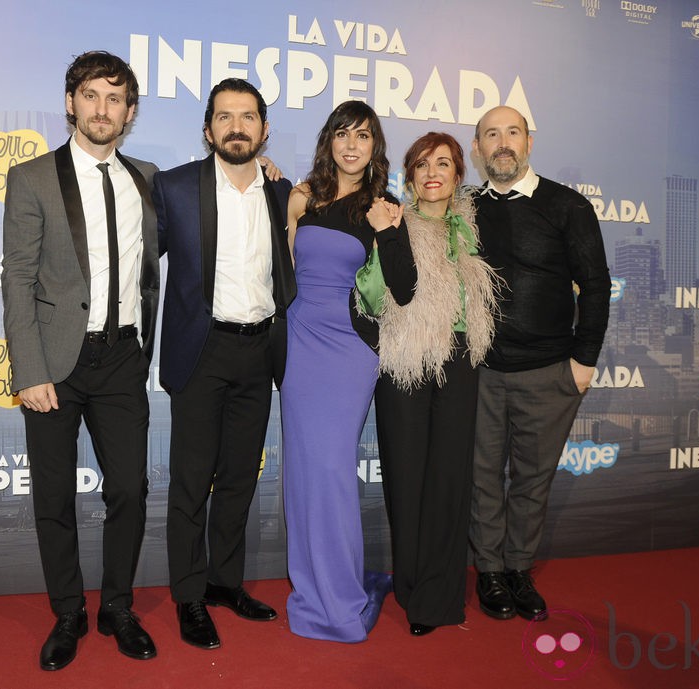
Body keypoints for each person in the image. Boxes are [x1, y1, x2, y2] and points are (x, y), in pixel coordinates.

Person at [1, 51, 159, 670]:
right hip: (55, 361)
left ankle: (118, 607)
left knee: (129, 489)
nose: (102, 109)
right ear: (71, 103)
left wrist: (274, 174)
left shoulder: (147, 178)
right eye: (91, 95)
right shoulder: (32, 177)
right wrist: (29, 370)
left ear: (130, 112)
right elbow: (17, 280)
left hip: (123, 359)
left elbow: (217, 193)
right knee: (54, 497)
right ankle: (67, 612)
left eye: (115, 99)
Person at [152, 78, 295, 650]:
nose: (237, 126)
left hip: (259, 351)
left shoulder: (286, 194)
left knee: (239, 477)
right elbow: (136, 264)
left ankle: (224, 583)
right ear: (208, 129)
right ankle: (189, 598)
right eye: (225, 116)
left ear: (263, 129)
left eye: (248, 117)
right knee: (191, 483)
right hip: (200, 351)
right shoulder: (175, 187)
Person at [468, 106, 610, 622]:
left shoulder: (567, 205)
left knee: (532, 478)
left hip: (550, 371)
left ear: (528, 141)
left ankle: (518, 570)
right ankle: (488, 571)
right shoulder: (463, 209)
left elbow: (595, 285)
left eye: (512, 133)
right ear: (477, 149)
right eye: (490, 135)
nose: (502, 143)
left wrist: (584, 361)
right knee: (481, 476)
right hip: (480, 372)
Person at [281, 100, 416, 643]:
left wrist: (388, 231)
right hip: (297, 342)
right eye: (343, 133)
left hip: (349, 348)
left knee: (333, 471)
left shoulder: (381, 206)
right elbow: (283, 265)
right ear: (329, 141)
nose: (352, 144)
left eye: (363, 135)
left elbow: (403, 288)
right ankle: (311, 586)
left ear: (374, 147)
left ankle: (339, 599)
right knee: (302, 472)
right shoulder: (302, 196)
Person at [357, 132, 500, 636]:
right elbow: (373, 295)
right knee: (408, 478)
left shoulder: (475, 228)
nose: (433, 172)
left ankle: (440, 595)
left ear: (460, 174)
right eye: (422, 165)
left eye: (444, 163)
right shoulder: (393, 222)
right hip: (407, 361)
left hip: (461, 361)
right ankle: (413, 586)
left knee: (449, 480)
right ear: (410, 176)